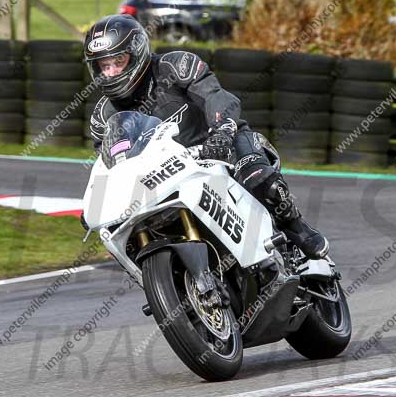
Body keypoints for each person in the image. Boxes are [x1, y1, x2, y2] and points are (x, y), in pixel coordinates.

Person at [83, 14, 328, 259]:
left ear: (136, 53)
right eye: (105, 66)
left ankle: (298, 229)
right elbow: (109, 166)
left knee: (260, 179)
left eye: (119, 61)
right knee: (123, 234)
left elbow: (216, 96)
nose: (112, 72)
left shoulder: (175, 66)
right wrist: (98, 204)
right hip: (165, 175)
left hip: (218, 146)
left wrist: (221, 130)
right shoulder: (103, 117)